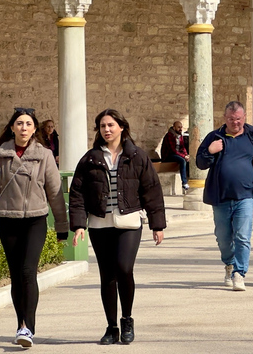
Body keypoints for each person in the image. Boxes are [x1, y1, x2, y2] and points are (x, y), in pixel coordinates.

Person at [0, 108, 68, 349]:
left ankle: (27, 328)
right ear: (12, 127)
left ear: (34, 128)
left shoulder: (44, 155)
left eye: (28, 124)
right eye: (19, 123)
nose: (23, 127)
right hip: (8, 221)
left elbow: (54, 193)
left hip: (35, 221)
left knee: (28, 271)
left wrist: (62, 226)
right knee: (16, 276)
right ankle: (20, 322)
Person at [69, 109, 166, 345]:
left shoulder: (137, 156)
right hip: (100, 224)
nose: (107, 129)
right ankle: (111, 327)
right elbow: (77, 193)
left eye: (111, 125)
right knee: (107, 276)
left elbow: (151, 190)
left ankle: (127, 319)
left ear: (121, 127)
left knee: (124, 268)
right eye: (102, 126)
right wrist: (79, 224)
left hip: (129, 222)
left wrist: (157, 224)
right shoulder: (90, 158)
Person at [196, 101, 253, 291]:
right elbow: (200, 163)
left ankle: (239, 273)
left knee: (243, 236)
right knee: (223, 238)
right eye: (231, 119)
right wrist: (210, 151)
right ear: (225, 119)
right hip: (220, 196)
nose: (236, 123)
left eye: (239, 119)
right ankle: (229, 263)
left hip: (245, 196)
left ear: (244, 118)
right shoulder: (214, 137)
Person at [161, 121, 189, 192]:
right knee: (182, 160)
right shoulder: (169, 135)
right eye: (178, 127)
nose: (180, 129)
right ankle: (184, 182)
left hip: (177, 155)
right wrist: (184, 156)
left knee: (188, 160)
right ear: (174, 127)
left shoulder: (180, 135)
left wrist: (186, 155)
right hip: (168, 156)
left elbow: (182, 147)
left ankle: (189, 179)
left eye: (181, 127)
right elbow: (172, 150)